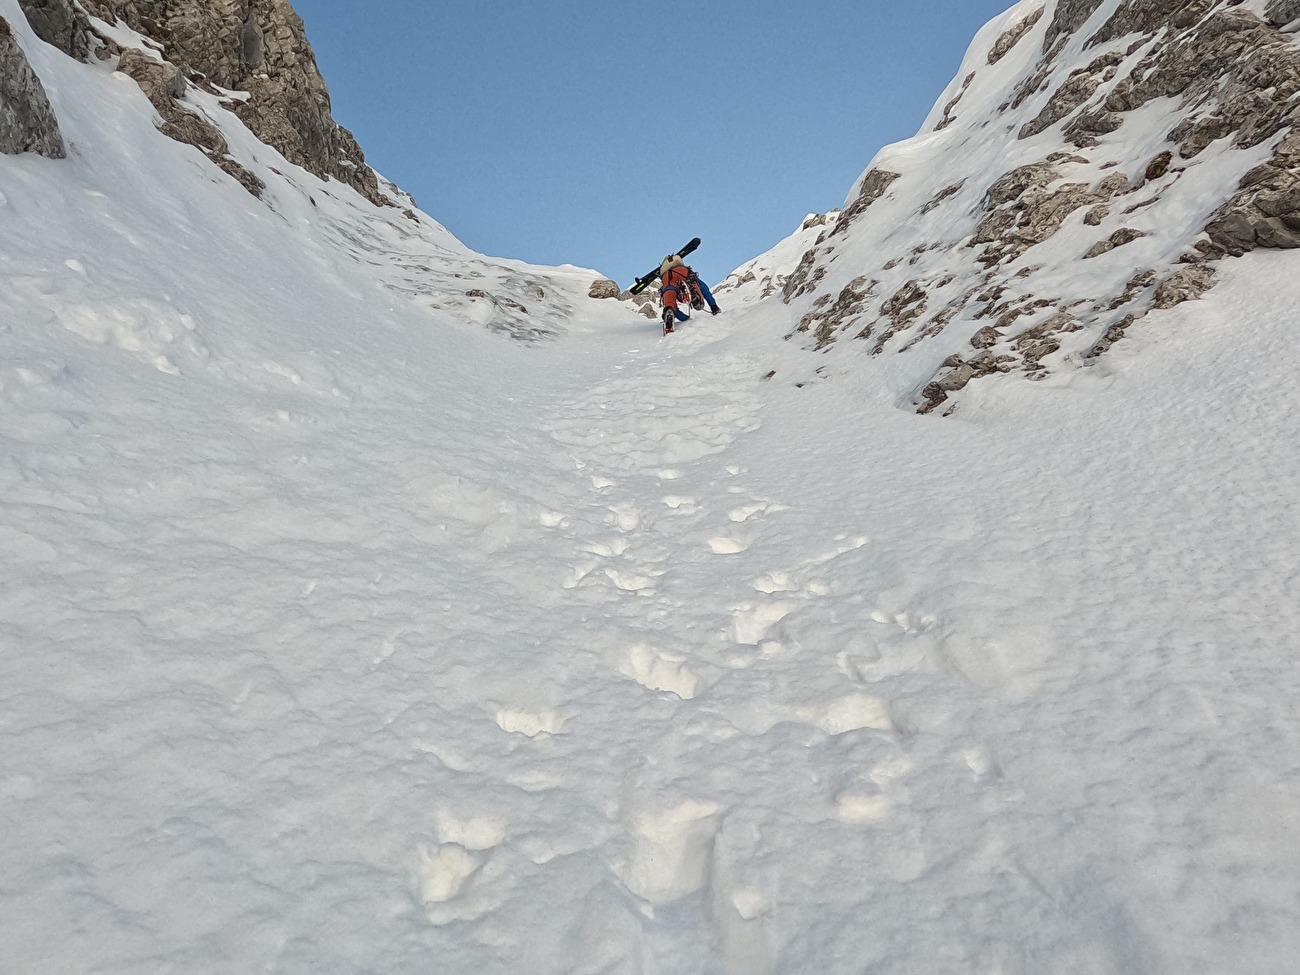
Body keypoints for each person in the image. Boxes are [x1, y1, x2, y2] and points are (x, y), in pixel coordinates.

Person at [658, 254, 719, 333]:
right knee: (696, 284)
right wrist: (714, 307)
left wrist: (685, 319)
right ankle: (693, 292)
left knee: (670, 300)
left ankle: (669, 311)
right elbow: (704, 288)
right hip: (682, 270)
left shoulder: (664, 269)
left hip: (667, 277)